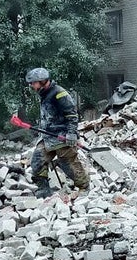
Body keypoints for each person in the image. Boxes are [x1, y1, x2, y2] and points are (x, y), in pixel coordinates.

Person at [25, 67, 89, 198]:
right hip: (47, 136)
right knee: (37, 161)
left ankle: (84, 188)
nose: (31, 85)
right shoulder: (43, 93)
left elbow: (72, 115)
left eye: (33, 83)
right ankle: (44, 190)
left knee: (68, 164)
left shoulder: (59, 93)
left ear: (42, 81)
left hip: (63, 136)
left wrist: (71, 133)